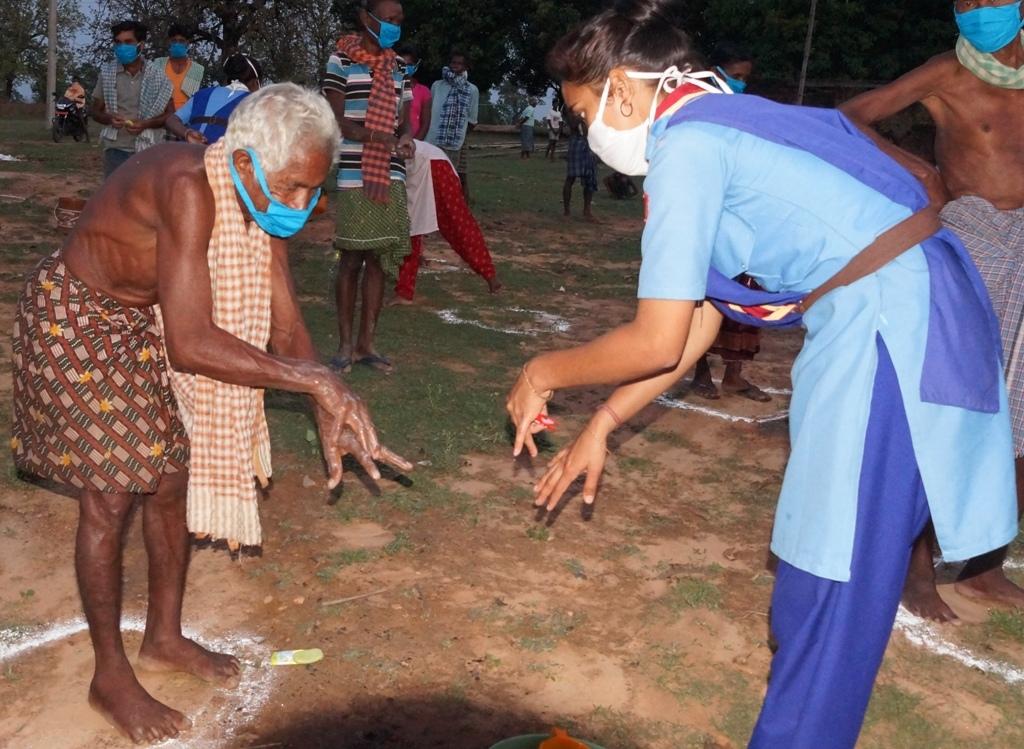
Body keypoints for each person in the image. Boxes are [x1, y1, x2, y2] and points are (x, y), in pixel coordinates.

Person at [506, 3, 1017, 748]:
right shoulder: (725, 121)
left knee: (834, 587)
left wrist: (541, 371)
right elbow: (699, 322)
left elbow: (654, 337)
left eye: (583, 110)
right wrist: (606, 422)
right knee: (813, 570)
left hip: (893, 325)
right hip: (900, 314)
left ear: (620, 90)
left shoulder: (690, 144)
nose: (589, 129)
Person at [10, 83, 411, 744]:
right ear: (247, 161)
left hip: (139, 317)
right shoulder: (189, 185)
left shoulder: (260, 195)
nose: (302, 207)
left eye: (313, 192)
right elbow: (192, 342)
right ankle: (109, 674)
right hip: (75, 314)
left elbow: (285, 319)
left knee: (170, 479)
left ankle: (163, 637)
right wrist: (311, 379)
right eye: (292, 188)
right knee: (110, 495)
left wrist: (323, 402)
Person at [840, 0, 1024, 623]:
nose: (975, 9)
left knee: (1019, 410)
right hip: (971, 240)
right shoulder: (948, 73)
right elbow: (852, 114)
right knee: (947, 402)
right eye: (964, 1)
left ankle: (982, 565)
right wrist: (919, 166)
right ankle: (914, 569)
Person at [322, 0, 414, 374]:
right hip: (354, 171)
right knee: (351, 258)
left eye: (399, 21)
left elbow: (406, 122)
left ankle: (366, 345)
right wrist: (379, 137)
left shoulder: (399, 67)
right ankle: (345, 345)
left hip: (390, 171)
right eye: (389, 20)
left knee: (377, 258)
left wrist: (405, 138)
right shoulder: (340, 61)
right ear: (366, 18)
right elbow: (336, 119)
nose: (395, 27)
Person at [689, 41, 769, 402]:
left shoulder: (746, 113)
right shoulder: (699, 111)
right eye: (735, 76)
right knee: (700, 297)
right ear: (715, 72)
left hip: (744, 216)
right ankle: (700, 372)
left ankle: (735, 376)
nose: (741, 84)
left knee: (747, 297)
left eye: (745, 78)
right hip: (706, 218)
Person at [394, 138, 502, 303]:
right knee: (412, 229)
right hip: (425, 167)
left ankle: (489, 274)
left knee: (455, 225)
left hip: (433, 166)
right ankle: (404, 290)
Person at [91, 20, 175, 179]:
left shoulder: (158, 76)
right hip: (116, 149)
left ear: (140, 46)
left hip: (150, 149)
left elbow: (170, 114)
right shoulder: (107, 73)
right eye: (118, 43)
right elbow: (95, 111)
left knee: (146, 200)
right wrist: (109, 119)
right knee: (115, 198)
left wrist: (145, 124)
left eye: (128, 42)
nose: (122, 47)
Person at [166, 53, 262, 145]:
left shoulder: (202, 94)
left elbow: (171, 120)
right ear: (256, 83)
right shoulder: (255, 102)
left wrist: (187, 133)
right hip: (219, 156)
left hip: (186, 150)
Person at [425, 50, 480, 198]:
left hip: (454, 143)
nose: (455, 65)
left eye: (459, 63)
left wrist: (459, 135)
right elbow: (429, 111)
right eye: (453, 62)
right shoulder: (437, 85)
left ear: (466, 66)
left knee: (449, 178)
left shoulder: (472, 90)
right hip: (432, 140)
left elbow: (472, 121)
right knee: (429, 177)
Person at [155, 22, 206, 113]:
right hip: (159, 116)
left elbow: (196, 99)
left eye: (181, 41)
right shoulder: (158, 64)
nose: (177, 44)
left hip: (186, 118)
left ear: (187, 43)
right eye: (174, 41)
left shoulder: (197, 69)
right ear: (169, 42)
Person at [563, 111, 598, 221]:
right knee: (571, 177)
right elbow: (572, 124)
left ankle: (587, 210)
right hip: (576, 143)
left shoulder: (587, 105)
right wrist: (582, 116)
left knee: (590, 178)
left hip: (588, 143)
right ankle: (567, 211)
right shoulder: (570, 107)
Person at [398, 43, 431, 140]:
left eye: (410, 65)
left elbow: (425, 124)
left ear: (416, 66)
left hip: (414, 142)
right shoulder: (390, 86)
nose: (405, 67)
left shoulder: (424, 92)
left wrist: (415, 143)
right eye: (403, 64)